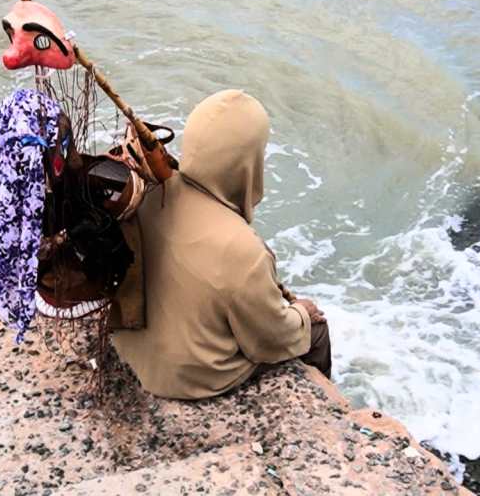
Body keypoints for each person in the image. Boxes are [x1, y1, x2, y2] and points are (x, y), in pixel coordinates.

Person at [111, 89, 332, 400]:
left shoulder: (149, 193)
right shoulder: (244, 250)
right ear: (248, 162)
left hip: (128, 349)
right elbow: (268, 341)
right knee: (317, 334)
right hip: (186, 378)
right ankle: (322, 413)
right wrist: (301, 314)